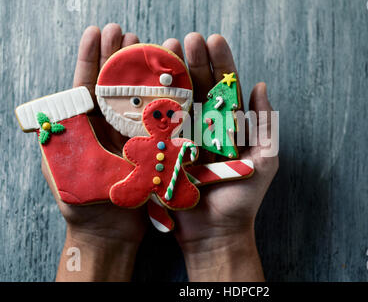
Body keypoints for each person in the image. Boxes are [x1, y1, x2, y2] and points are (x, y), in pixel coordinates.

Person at [44, 23, 279, 282]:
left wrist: (223, 238)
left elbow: (180, 151)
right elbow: (133, 150)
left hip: (176, 189)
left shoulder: (179, 144)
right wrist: (94, 234)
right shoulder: (137, 143)